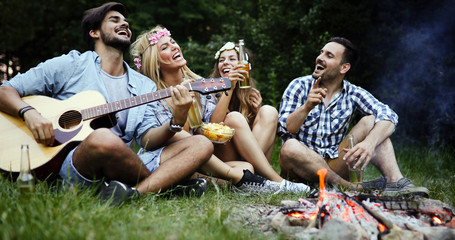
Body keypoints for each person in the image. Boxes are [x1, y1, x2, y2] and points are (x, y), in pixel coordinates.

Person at [0, 2, 213, 206]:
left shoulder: (144, 85)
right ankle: (164, 185)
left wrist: (177, 120)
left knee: (202, 143)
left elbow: (148, 140)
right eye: (114, 20)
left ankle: (134, 193)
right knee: (102, 137)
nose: (125, 24)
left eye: (126, 21)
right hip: (76, 164)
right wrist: (29, 113)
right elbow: (5, 90)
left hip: (125, 165)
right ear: (95, 32)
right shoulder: (72, 64)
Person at [130, 26, 310, 194]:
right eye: (165, 47)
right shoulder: (152, 95)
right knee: (228, 158)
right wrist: (182, 112)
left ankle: (244, 180)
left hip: (205, 154)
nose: (175, 46)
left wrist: (229, 91)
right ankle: (274, 183)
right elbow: (177, 138)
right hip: (175, 157)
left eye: (173, 42)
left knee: (244, 161)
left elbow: (213, 126)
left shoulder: (199, 84)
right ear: (155, 61)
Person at [278, 37, 429, 197]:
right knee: (290, 146)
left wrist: (370, 143)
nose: (320, 57)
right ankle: (350, 187)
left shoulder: (353, 92)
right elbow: (286, 129)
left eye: (329, 55)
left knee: (372, 122)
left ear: (344, 67)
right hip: (300, 170)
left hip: (335, 164)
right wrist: (306, 107)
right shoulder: (299, 85)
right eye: (321, 52)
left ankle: (395, 182)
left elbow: (389, 115)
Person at [209, 42, 277, 163]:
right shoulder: (210, 91)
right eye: (221, 60)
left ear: (244, 65)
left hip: (248, 156)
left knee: (268, 111)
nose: (225, 62)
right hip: (226, 155)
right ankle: (252, 173)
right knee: (233, 118)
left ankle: (252, 173)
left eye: (232, 59)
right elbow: (214, 127)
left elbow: (254, 135)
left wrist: (256, 113)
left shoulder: (249, 93)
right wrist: (230, 87)